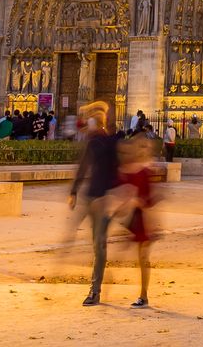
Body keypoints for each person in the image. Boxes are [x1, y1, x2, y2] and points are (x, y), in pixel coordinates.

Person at [67, 102, 120, 306]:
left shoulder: (109, 143)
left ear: (97, 124)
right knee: (95, 243)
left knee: (99, 243)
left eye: (90, 122)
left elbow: (117, 170)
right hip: (91, 196)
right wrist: (74, 191)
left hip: (103, 199)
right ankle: (98, 279)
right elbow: (83, 166)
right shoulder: (94, 142)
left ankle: (95, 290)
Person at [116, 133, 160, 308]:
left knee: (143, 258)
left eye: (145, 147)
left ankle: (144, 295)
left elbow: (149, 200)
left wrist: (137, 202)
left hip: (145, 218)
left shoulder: (144, 172)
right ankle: (143, 295)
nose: (142, 150)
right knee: (140, 258)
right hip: (137, 218)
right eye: (140, 146)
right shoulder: (132, 171)